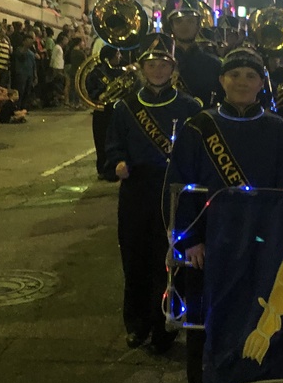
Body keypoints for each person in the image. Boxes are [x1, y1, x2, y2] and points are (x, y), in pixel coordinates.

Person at [166, 46, 283, 383]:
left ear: (262, 83)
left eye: (251, 75)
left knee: (252, 326)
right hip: (207, 246)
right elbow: (179, 188)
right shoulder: (197, 126)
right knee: (201, 327)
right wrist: (189, 241)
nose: (242, 81)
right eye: (235, 74)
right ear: (222, 80)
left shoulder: (279, 129)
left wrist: (277, 244)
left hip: (258, 247)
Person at [106, 33, 201, 356]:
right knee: (135, 257)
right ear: (142, 68)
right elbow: (113, 145)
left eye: (163, 64)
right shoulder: (126, 107)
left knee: (171, 258)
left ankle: (166, 325)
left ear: (173, 68)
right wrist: (117, 162)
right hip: (138, 190)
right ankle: (137, 324)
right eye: (152, 64)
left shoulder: (190, 107)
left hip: (175, 190)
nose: (158, 69)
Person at [163, 0, 222, 109]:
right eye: (179, 21)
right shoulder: (161, 63)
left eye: (190, 21)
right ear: (171, 26)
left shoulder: (215, 65)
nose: (184, 26)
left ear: (198, 24)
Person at [86, 45, 124, 180]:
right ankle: (104, 169)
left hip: (117, 111)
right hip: (102, 111)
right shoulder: (96, 73)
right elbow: (91, 92)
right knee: (102, 140)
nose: (120, 57)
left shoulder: (120, 72)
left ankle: (116, 168)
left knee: (116, 141)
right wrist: (104, 93)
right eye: (118, 54)